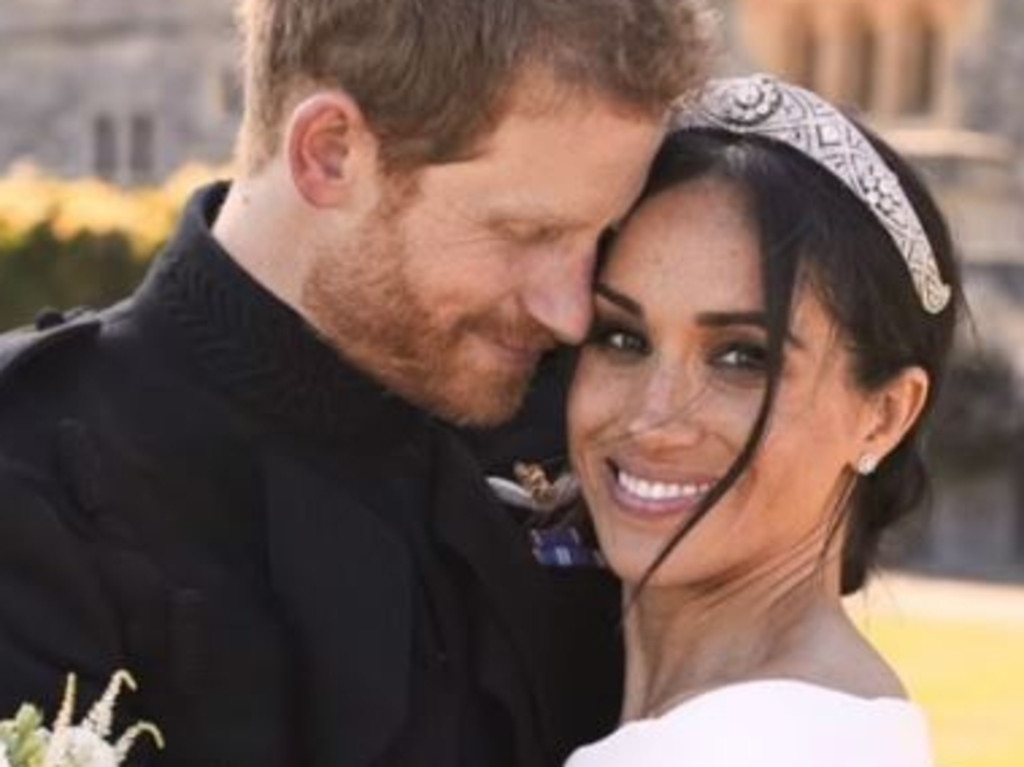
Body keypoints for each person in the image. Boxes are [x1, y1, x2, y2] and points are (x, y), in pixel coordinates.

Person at [0, 1, 713, 765]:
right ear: (330, 153)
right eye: (526, 233)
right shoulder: (34, 477)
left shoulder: (590, 421)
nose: (571, 313)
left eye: (598, 236)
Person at [563, 74, 962, 766]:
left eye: (742, 358)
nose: (654, 417)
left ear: (884, 415)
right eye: (622, 337)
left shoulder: (763, 744)